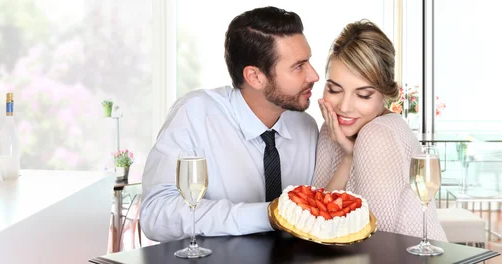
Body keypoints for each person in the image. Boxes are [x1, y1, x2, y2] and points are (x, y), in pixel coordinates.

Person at [140, 6, 320, 242]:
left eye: (309, 62)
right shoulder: (195, 115)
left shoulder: (306, 126)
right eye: (299, 66)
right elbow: (156, 215)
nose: (314, 75)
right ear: (255, 77)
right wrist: (266, 215)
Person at [312, 20, 447, 241]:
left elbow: (377, 241)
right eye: (334, 89)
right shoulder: (331, 127)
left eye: (363, 95)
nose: (344, 107)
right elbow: (317, 219)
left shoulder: (378, 134)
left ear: (385, 93)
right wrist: (348, 157)